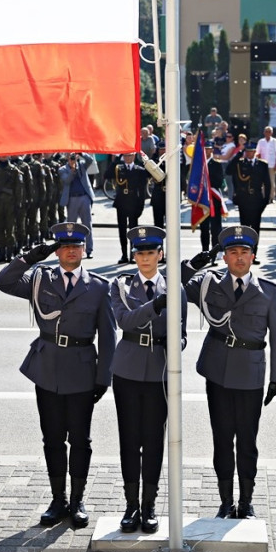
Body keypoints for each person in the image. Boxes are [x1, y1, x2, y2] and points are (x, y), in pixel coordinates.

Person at [0, 222, 117, 529]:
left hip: (81, 370)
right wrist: (29, 258)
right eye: (64, 247)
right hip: (46, 369)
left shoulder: (100, 287)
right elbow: (3, 281)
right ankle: (57, 499)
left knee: (80, 439)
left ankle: (77, 500)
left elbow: (109, 335)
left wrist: (104, 378)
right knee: (52, 439)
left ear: (84, 250)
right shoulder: (40, 279)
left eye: (76, 246)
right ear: (57, 251)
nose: (71, 251)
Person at [181, 225, 276, 519]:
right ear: (224, 257)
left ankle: (246, 501)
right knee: (222, 439)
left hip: (251, 374)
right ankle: (225, 502)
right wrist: (195, 263)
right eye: (232, 252)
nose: (239, 258)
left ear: (253, 257)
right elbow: (173, 286)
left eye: (244, 252)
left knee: (247, 442)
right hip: (218, 372)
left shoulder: (268, 292)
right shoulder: (209, 283)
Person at [109, 226, 186, 534]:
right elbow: (124, 321)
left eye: (150, 252)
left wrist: (175, 346)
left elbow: (180, 333)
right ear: (134, 256)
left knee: (154, 440)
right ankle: (131, 506)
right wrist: (155, 305)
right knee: (129, 439)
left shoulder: (174, 287)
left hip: (158, 372)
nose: (145, 258)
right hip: (127, 370)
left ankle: (150, 505)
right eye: (140, 253)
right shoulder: (122, 286)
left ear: (160, 254)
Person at [227, 142, 271, 263]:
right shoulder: (240, 163)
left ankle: (253, 255)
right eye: (248, 151)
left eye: (252, 151)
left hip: (256, 199)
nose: (250, 154)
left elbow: (267, 183)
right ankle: (246, 254)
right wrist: (239, 153)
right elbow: (228, 170)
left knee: (255, 229)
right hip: (243, 199)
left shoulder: (262, 164)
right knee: (245, 229)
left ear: (255, 152)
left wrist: (266, 199)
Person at [106, 152, 149, 264]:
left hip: (134, 201)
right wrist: (115, 159)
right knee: (122, 229)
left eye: (129, 156)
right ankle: (124, 254)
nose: (127, 158)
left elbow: (143, 189)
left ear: (134, 156)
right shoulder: (118, 168)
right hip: (121, 201)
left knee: (133, 230)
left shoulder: (139, 170)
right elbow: (107, 175)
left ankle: (133, 254)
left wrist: (141, 205)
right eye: (125, 156)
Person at [58, 153, 96, 259]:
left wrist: (80, 153)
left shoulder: (82, 165)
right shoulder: (62, 169)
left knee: (87, 224)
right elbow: (67, 180)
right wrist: (72, 169)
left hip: (84, 197)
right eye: (70, 157)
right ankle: (72, 249)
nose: (72, 159)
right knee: (71, 227)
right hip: (72, 199)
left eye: (73, 156)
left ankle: (89, 250)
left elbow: (90, 160)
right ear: (66, 158)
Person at [255, 126, 276, 203]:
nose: (267, 133)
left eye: (269, 131)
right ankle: (264, 196)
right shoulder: (261, 141)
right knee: (262, 182)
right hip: (263, 164)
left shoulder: (274, 141)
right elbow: (258, 153)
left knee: (271, 182)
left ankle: (271, 197)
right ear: (264, 132)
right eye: (266, 131)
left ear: (272, 133)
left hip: (272, 164)